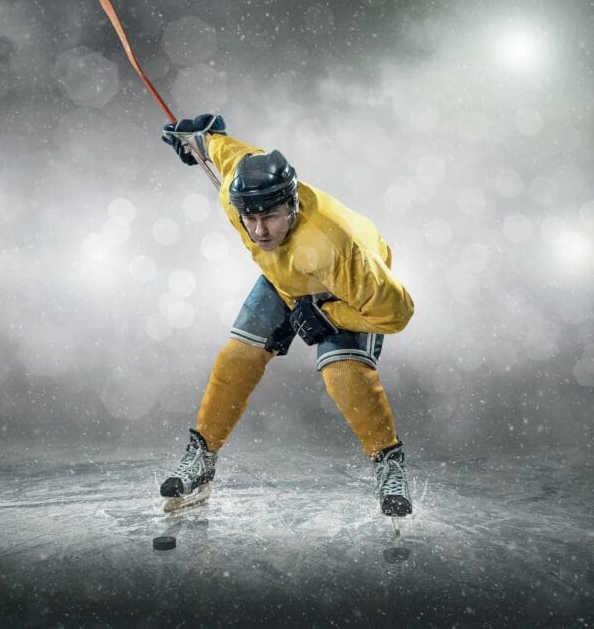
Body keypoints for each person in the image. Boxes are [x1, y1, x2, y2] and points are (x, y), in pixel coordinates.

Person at [158, 113, 416, 516]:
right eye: (252, 218)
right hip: (286, 279)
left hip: (337, 291)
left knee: (343, 375)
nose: (260, 231)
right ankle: (202, 459)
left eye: (271, 217)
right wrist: (198, 140)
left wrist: (328, 315)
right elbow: (224, 149)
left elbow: (397, 315)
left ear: (292, 205)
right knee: (236, 358)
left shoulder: (338, 249)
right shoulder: (234, 192)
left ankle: (389, 465)